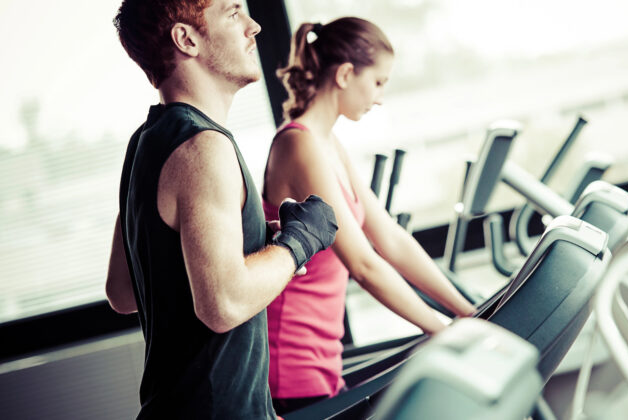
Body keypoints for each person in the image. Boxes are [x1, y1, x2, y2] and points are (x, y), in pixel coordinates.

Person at [105, 0, 338, 418]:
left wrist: (250, 239)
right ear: (186, 39)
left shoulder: (145, 142)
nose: (254, 27)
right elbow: (223, 304)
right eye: (233, 13)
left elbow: (124, 291)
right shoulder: (203, 148)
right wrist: (299, 242)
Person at [262, 17, 477, 414]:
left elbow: (390, 238)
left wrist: (467, 311)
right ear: (345, 74)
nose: (379, 98)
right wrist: (442, 328)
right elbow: (363, 263)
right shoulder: (298, 145)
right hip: (292, 368)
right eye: (378, 82)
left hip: (321, 361)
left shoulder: (327, 143)